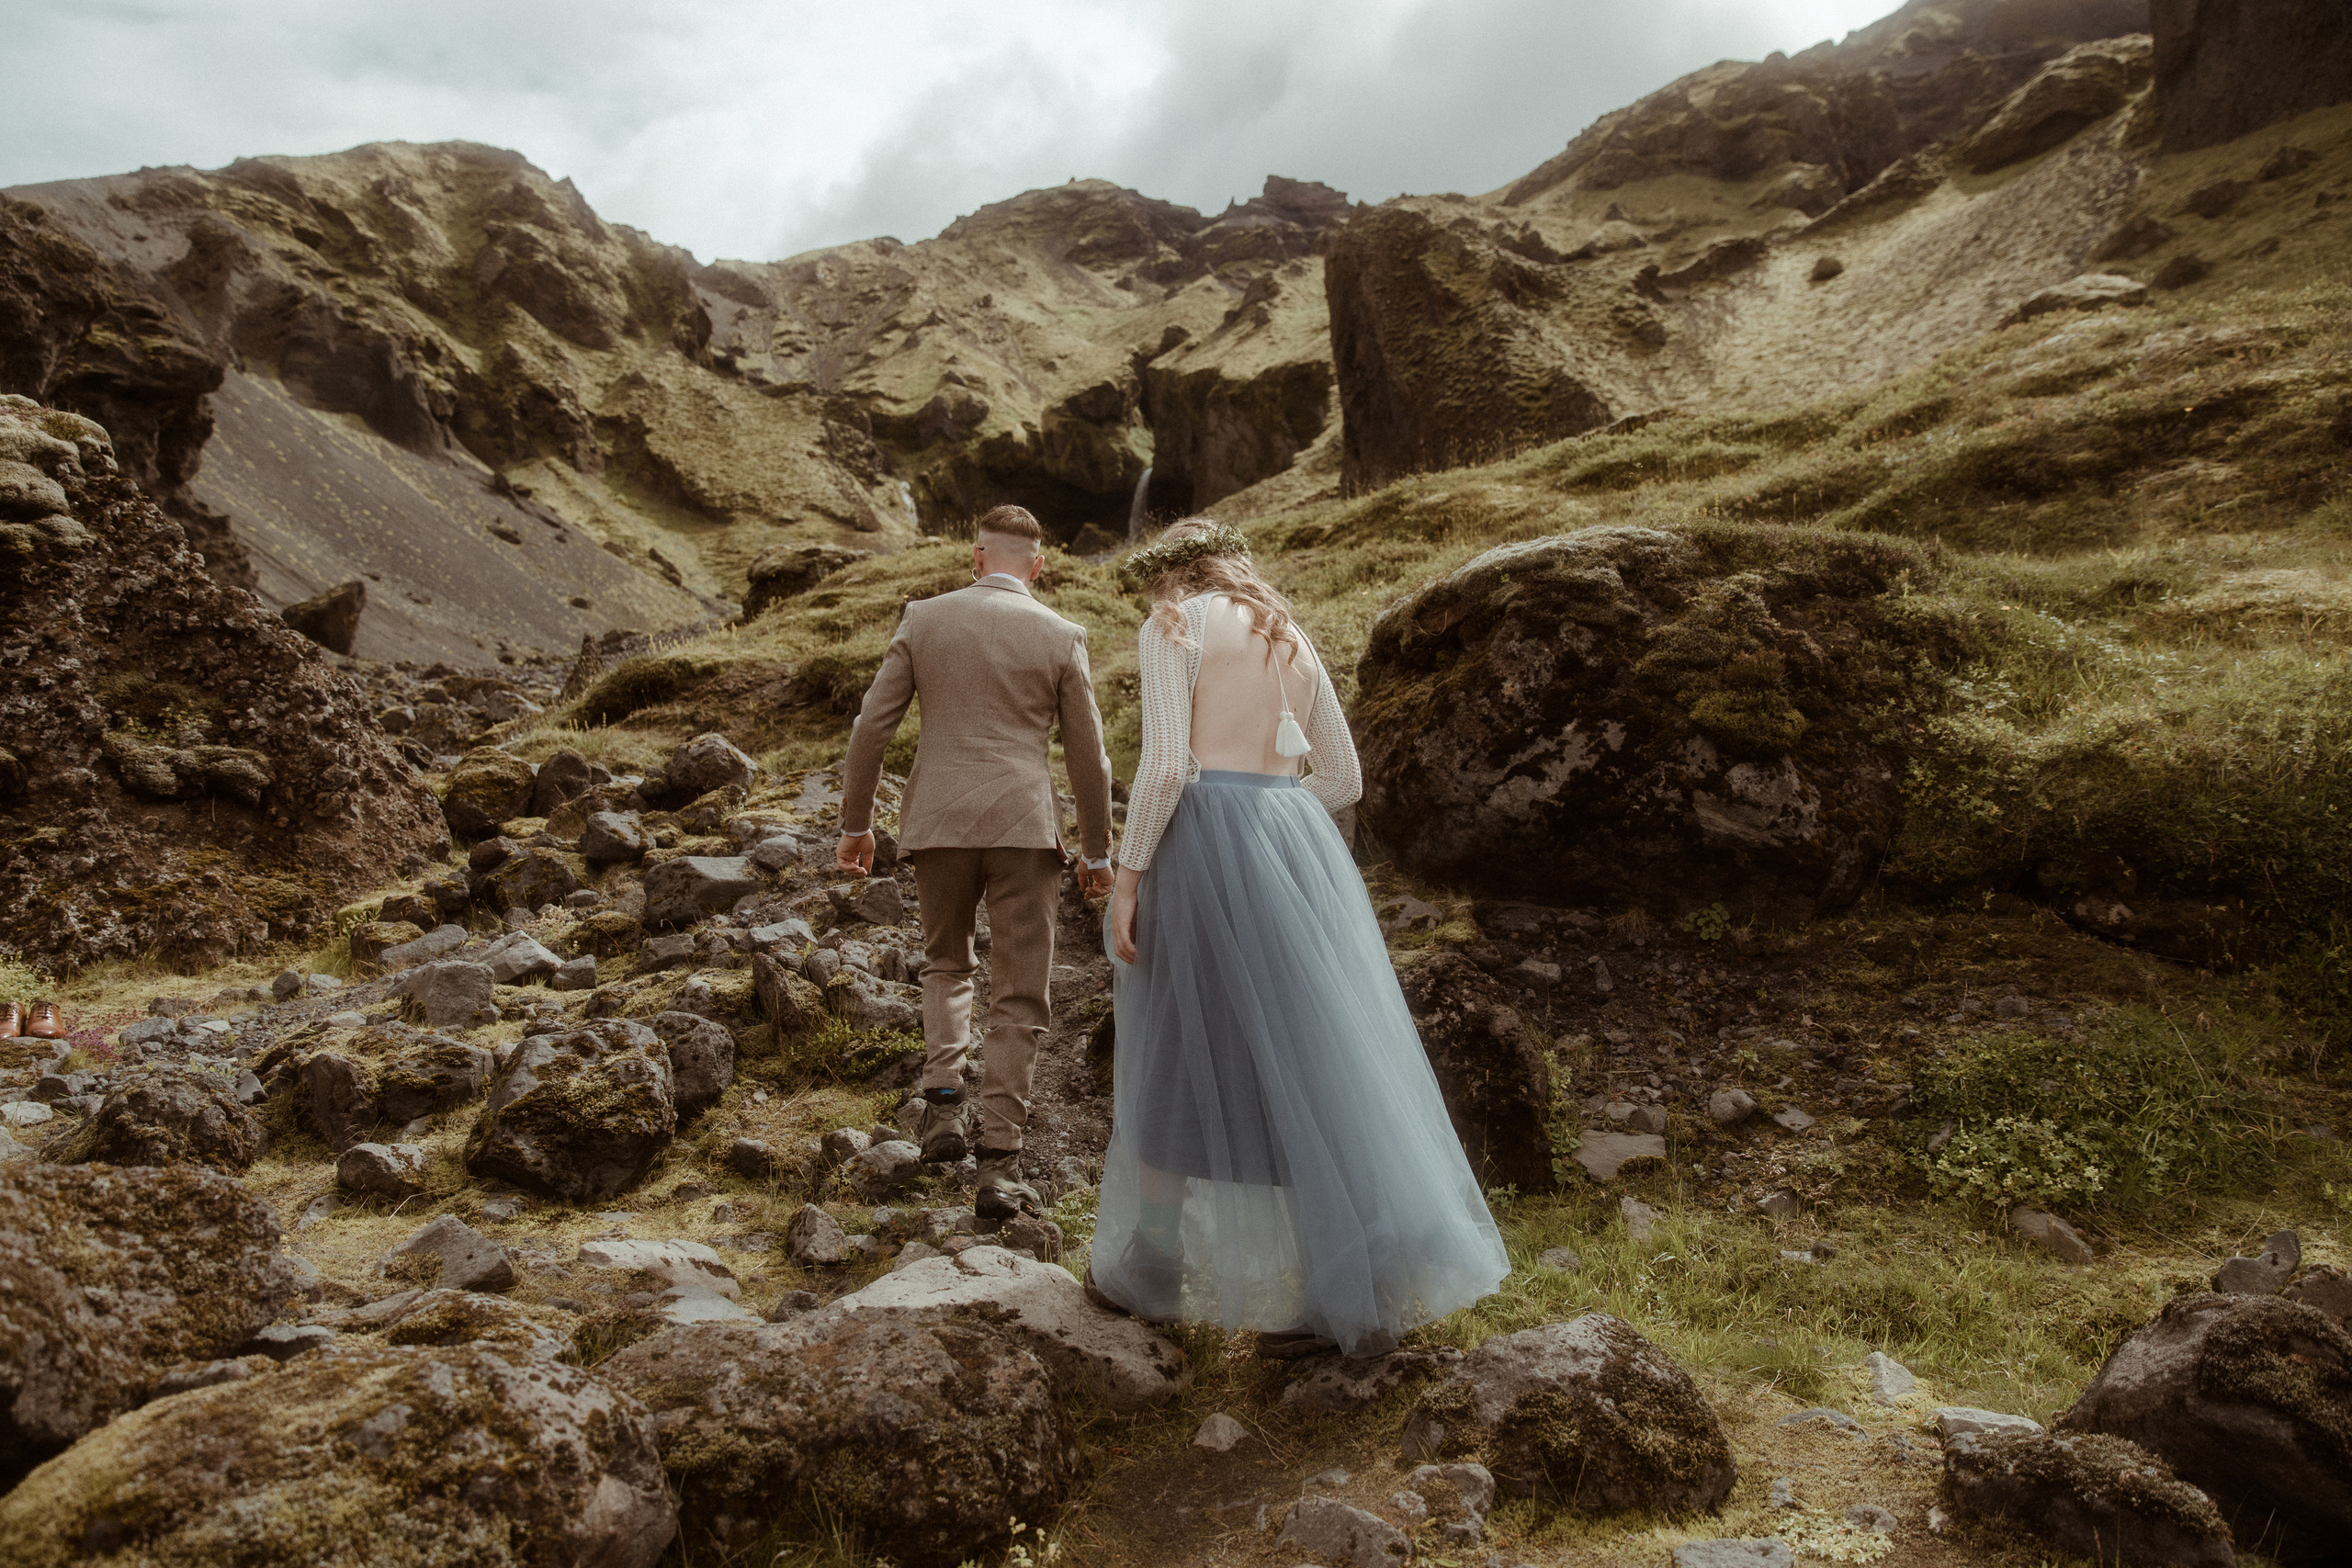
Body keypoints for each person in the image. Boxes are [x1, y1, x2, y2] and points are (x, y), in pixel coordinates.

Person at [1089, 518, 1509, 1357]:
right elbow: (1342, 778)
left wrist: (1128, 876)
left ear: (1172, 574)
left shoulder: (1174, 623)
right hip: (1293, 847)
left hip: (1200, 848)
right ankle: (1348, 1272)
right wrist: (1272, 826)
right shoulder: (1291, 636)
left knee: (1176, 1041)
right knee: (1315, 1055)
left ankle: (1159, 1260)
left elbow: (1167, 765)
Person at [838, 503, 1115, 1218]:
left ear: (977, 556)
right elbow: (1090, 757)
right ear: (1038, 566)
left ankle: (941, 1102)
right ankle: (998, 1159)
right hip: (1025, 827)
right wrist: (1097, 850)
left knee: (946, 962)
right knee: (1020, 990)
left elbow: (872, 726)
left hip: (938, 823)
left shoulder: (923, 618)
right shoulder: (1061, 634)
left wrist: (857, 825)